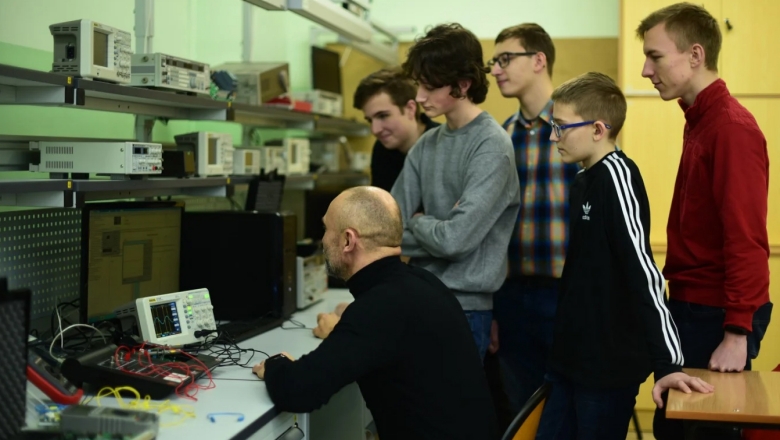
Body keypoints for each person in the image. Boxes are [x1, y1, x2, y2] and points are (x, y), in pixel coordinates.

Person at [534, 72, 713, 440]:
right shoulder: (583, 178)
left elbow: (643, 272)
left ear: (598, 129)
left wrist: (668, 363)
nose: (553, 136)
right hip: (569, 361)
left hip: (605, 368)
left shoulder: (618, 177)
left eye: (562, 127)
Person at [253, 186, 498, 440]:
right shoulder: (422, 282)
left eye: (326, 229)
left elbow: (298, 391)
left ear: (348, 240)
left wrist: (275, 364)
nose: (323, 240)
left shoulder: (379, 307)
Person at [636, 4, 773, 439]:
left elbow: (746, 239)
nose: (644, 70)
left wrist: (736, 332)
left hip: (716, 316)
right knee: (674, 429)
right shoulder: (700, 119)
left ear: (695, 55)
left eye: (655, 56)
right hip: (694, 307)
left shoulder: (731, 128)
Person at [391, 23, 521, 359]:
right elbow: (387, 230)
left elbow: (456, 241)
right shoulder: (426, 144)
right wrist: (439, 226)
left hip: (464, 311)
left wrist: (418, 222)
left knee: (448, 412)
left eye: (429, 87)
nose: (419, 97)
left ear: (463, 85)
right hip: (417, 300)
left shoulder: (492, 146)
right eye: (419, 85)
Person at [488, 23, 581, 416]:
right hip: (511, 296)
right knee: (522, 411)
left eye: (505, 59)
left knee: (570, 407)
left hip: (567, 294)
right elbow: (490, 229)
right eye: (493, 62)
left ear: (539, 60)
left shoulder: (578, 131)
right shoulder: (500, 137)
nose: (495, 70)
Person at [353, 67, 440, 192]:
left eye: (383, 116)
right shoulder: (381, 150)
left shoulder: (446, 145)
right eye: (370, 120)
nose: (375, 130)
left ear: (410, 109)